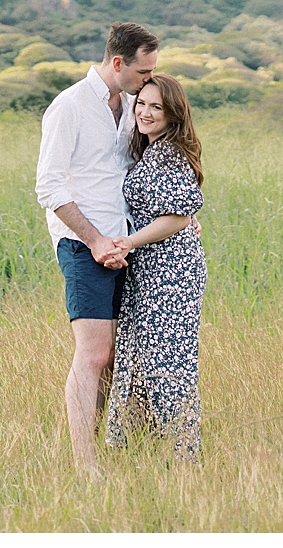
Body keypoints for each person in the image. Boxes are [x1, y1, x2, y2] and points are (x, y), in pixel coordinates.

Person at [35, 21, 160, 478]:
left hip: (124, 242)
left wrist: (178, 218)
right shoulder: (67, 107)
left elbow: (132, 174)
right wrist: (94, 241)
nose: (149, 80)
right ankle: (83, 465)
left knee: (114, 356)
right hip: (80, 242)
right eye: (143, 71)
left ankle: (102, 448)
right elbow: (48, 186)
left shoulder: (133, 106)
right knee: (93, 353)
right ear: (118, 62)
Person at [104, 72, 207, 463]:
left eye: (156, 107)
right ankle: (142, 451)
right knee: (141, 356)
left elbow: (179, 217)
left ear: (173, 114)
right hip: (150, 269)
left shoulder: (171, 151)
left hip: (172, 273)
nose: (145, 112)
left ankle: (183, 457)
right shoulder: (150, 149)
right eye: (141, 104)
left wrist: (128, 241)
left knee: (167, 362)